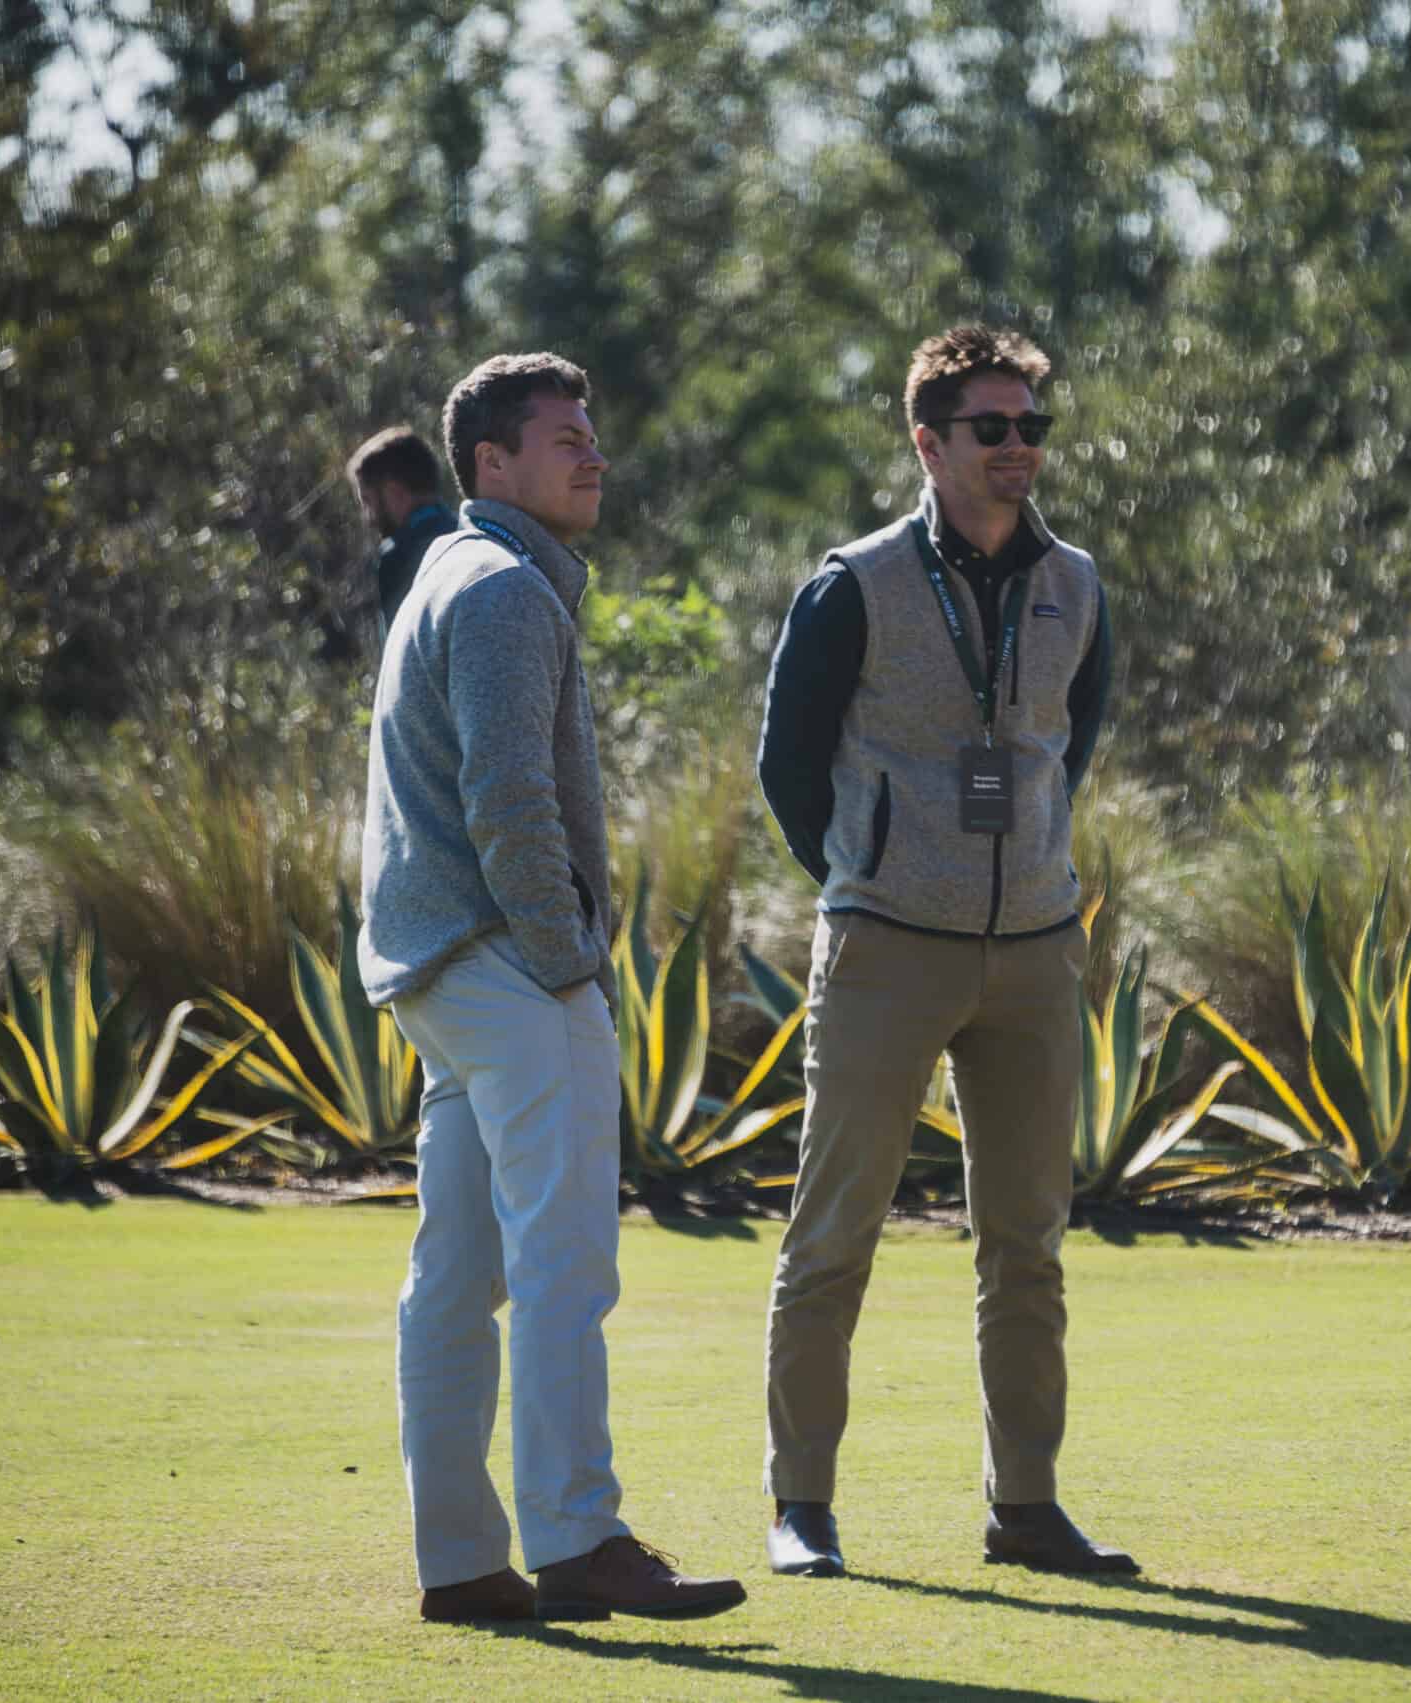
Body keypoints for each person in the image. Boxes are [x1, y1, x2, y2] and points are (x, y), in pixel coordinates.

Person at [360, 352, 745, 1625]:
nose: (591, 454)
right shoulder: (507, 591)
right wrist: (569, 958)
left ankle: (462, 1559)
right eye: (563, 437)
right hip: (510, 969)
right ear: (490, 466)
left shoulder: (452, 575)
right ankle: (578, 1538)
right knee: (563, 1268)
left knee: (457, 1275)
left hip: (442, 974)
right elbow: (508, 799)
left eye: (594, 433)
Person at [756, 325, 1120, 1580]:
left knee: (1027, 1241)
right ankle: (802, 1503)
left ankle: (1026, 1506)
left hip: (1033, 953)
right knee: (833, 1232)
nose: (1018, 447)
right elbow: (786, 765)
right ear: (928, 441)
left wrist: (1017, 871)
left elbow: (1070, 745)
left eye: (1032, 426)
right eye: (992, 427)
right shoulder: (850, 583)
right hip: (884, 950)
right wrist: (873, 871)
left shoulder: (1077, 581)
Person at [347, 425, 459, 639]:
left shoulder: (397, 556)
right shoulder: (470, 535)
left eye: (368, 501)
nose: (368, 518)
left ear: (394, 492)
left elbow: (398, 654)